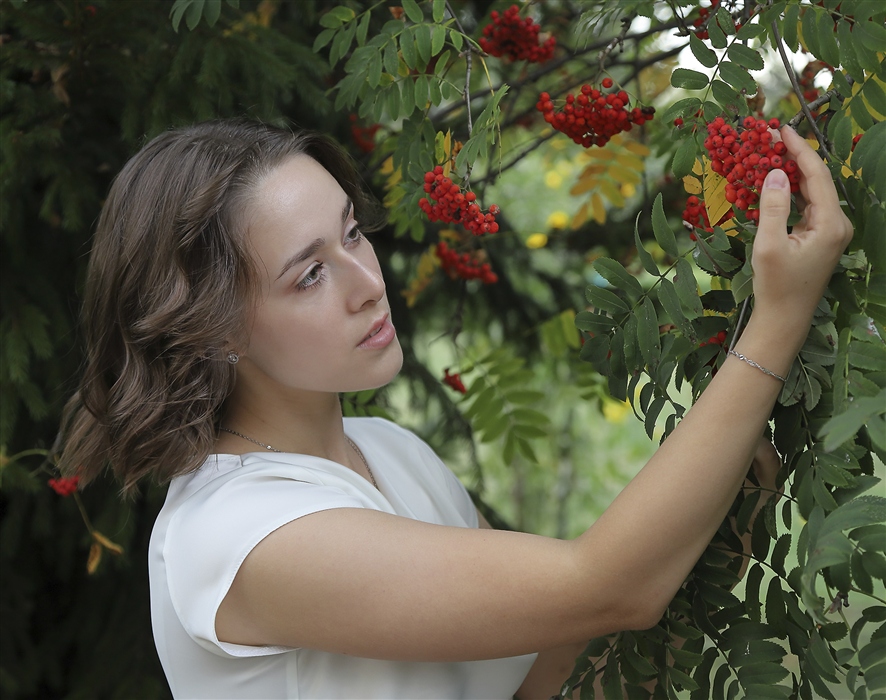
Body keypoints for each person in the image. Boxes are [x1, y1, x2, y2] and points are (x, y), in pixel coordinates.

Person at [58, 118, 853, 699]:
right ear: (215, 330)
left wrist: (728, 507)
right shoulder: (237, 535)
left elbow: (557, 676)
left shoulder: (392, 450)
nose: (368, 281)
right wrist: (778, 318)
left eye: (352, 234)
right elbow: (606, 586)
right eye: (308, 274)